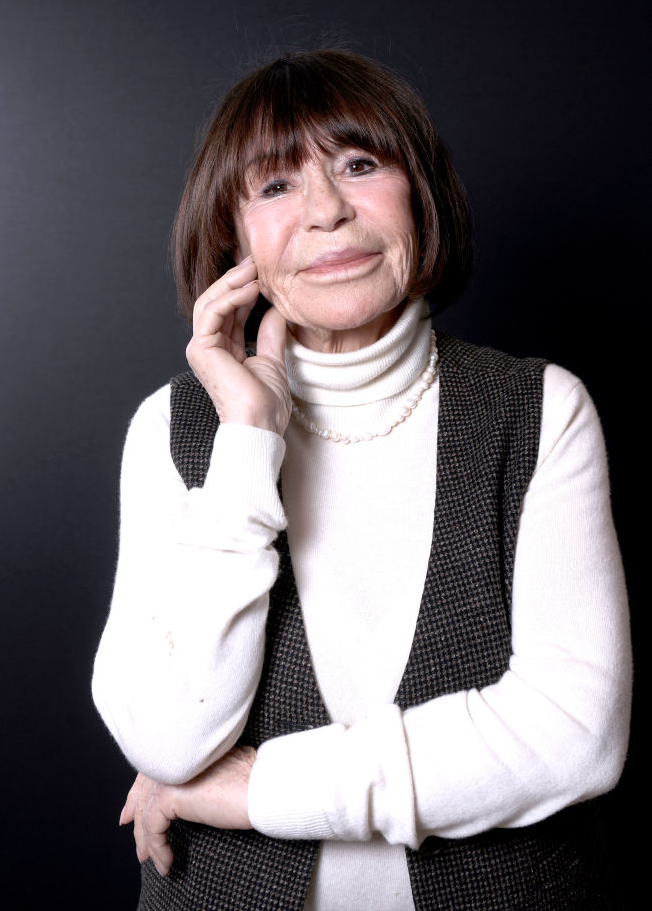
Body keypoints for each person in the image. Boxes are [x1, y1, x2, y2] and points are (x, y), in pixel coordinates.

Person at [92, 50, 631, 910]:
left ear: (416, 191)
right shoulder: (175, 427)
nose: (327, 211)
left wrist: (257, 789)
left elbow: (573, 736)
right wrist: (246, 444)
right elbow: (166, 736)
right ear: (231, 236)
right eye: (274, 186)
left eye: (358, 165)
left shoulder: (537, 411)